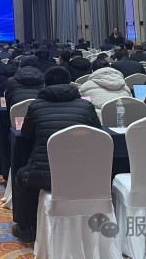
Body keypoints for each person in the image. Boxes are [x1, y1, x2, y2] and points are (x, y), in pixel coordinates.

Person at [13, 66, 101, 242]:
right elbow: (97, 135)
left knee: (21, 176)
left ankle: (26, 228)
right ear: (70, 82)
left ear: (45, 83)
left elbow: (26, 134)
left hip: (43, 176)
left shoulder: (36, 106)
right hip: (83, 175)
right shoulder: (86, 106)